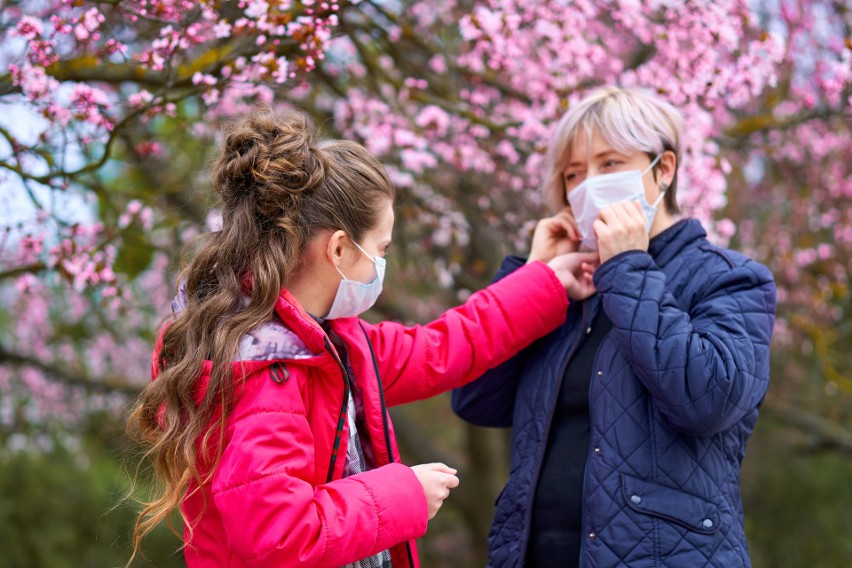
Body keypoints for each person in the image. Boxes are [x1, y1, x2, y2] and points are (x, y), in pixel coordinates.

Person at [127, 107, 599, 568]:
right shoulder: (264, 373)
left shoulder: (332, 344)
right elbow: (279, 537)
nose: (382, 265)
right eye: (381, 249)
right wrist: (404, 494)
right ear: (338, 249)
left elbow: (445, 346)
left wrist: (545, 281)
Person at [452, 86, 777, 567]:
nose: (589, 185)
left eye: (609, 164)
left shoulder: (730, 278)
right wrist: (530, 280)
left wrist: (628, 266)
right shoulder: (567, 289)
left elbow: (709, 399)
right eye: (573, 174)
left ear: (663, 170)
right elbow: (475, 398)